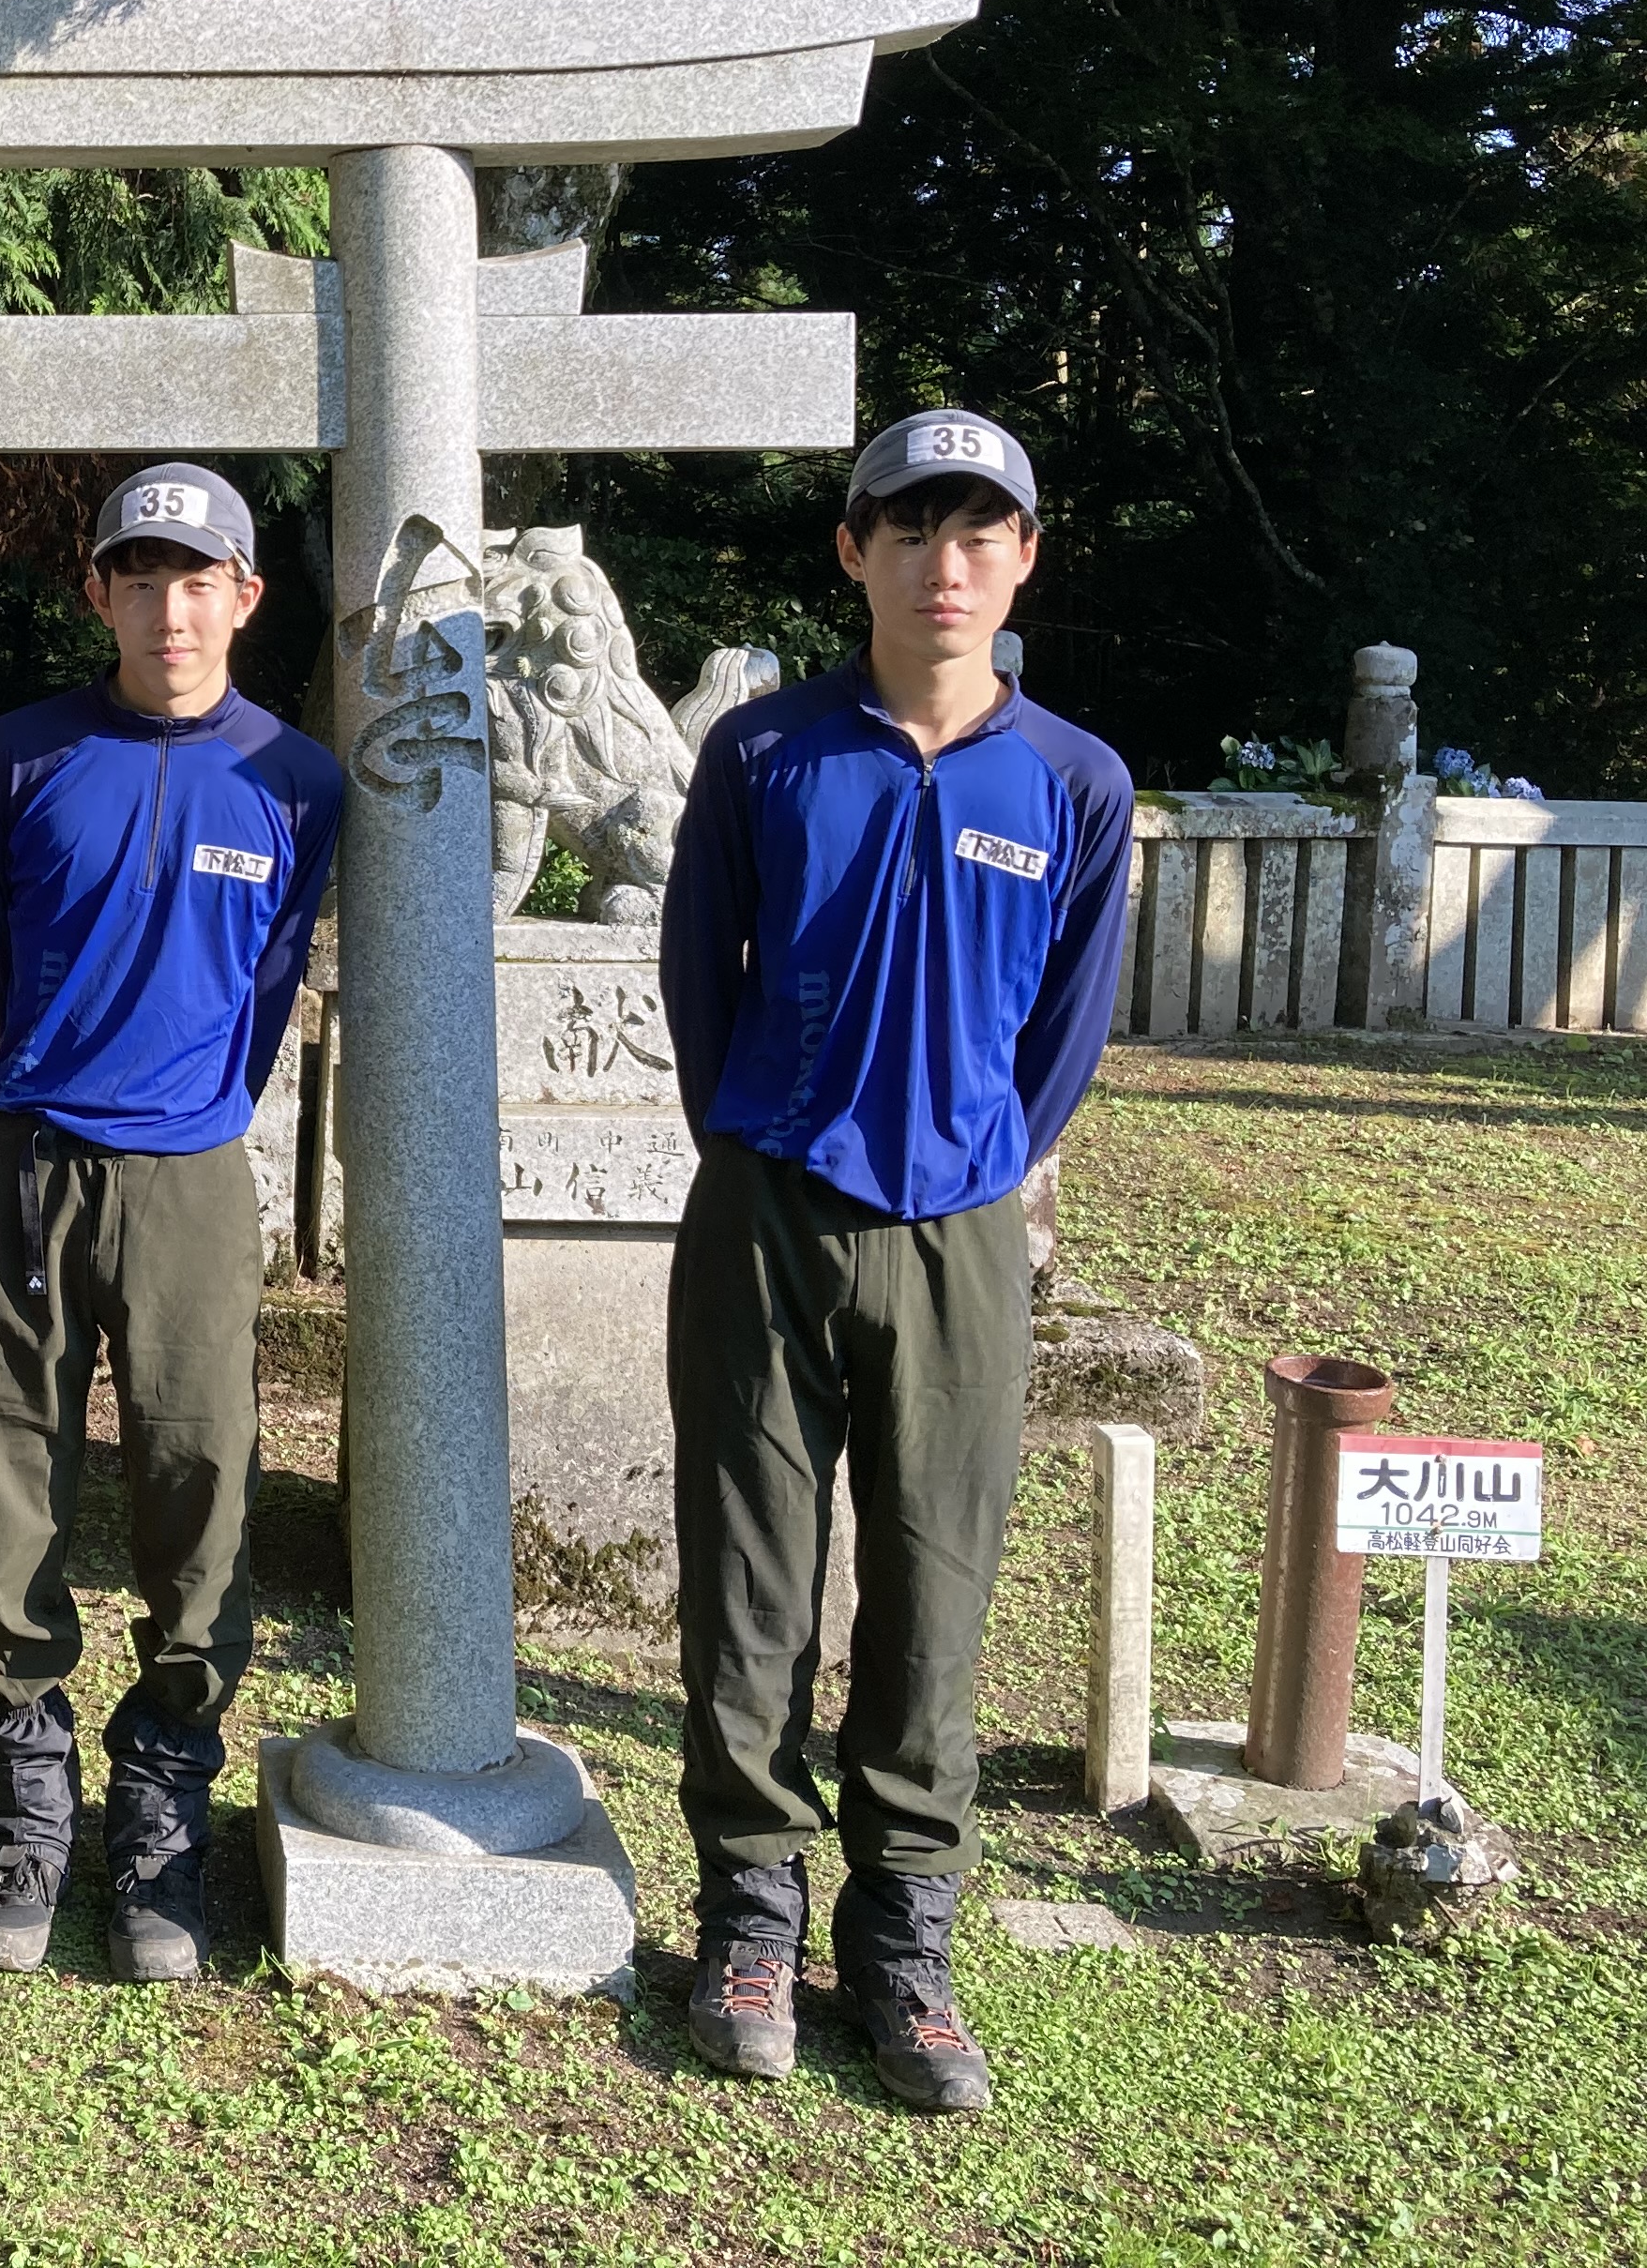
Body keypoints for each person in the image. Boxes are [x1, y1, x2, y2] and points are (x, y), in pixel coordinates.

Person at [657, 408, 1130, 2114]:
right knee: (751, 1579)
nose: (946, 564)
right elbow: (698, 971)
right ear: (853, 551)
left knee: (933, 1583)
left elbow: (1064, 1033)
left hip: (957, 1233)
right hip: (769, 1208)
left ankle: (907, 1937)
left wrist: (972, 1155)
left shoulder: (1073, 781)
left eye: (978, 533)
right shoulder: (772, 753)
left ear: (1022, 558)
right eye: (910, 530)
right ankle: (754, 1911)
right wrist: (756, 1138)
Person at [0, 463, 343, 1983]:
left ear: (246, 597)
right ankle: (26, 1784)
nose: (170, 609)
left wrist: (188, 1107)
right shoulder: (29, 754)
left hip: (191, 1173)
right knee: (6, 1468)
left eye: (201, 580)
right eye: (141, 577)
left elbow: (266, 990)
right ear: (99, 590)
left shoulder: (295, 780)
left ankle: (167, 1784)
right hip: (33, 1154)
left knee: (199, 1477)